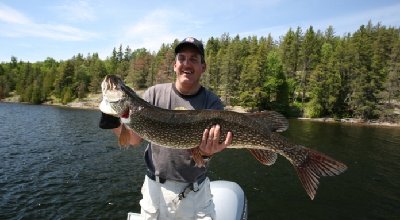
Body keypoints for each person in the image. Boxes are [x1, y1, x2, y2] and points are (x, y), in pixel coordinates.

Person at [111, 37, 233, 219]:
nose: (187, 63)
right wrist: (112, 122)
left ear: (203, 67)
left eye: (193, 59)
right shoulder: (154, 94)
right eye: (182, 58)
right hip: (155, 191)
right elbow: (134, 140)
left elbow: (206, 151)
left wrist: (207, 153)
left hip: (196, 194)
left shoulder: (212, 102)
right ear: (174, 65)